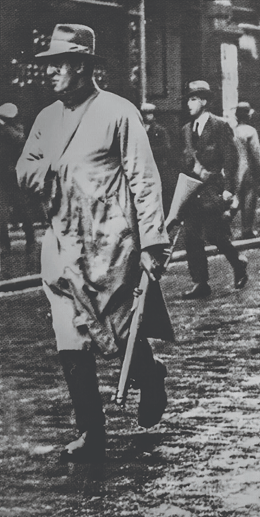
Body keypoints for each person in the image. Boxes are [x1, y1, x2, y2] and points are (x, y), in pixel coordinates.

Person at [16, 24, 172, 461]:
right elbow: (24, 169)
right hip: (63, 243)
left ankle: (150, 374)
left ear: (82, 66)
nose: (49, 73)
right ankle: (91, 430)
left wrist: (151, 242)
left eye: (58, 65)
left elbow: (143, 179)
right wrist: (47, 167)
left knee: (121, 329)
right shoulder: (47, 118)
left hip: (111, 243)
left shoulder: (118, 112)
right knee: (68, 335)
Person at [179, 80, 248, 299]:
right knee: (191, 237)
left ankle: (238, 264)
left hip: (214, 190)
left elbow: (231, 159)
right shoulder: (187, 130)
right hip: (193, 191)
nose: (189, 104)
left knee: (215, 234)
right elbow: (184, 162)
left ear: (205, 101)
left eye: (194, 99)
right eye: (188, 99)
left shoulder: (219, 125)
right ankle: (200, 282)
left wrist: (230, 190)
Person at [0, 102, 36, 257]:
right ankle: (4, 244)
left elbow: (18, 139)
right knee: (2, 211)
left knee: (21, 207)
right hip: (4, 174)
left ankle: (30, 239)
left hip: (12, 175)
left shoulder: (14, 129)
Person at [233, 102, 260, 239]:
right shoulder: (251, 131)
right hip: (248, 169)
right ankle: (247, 230)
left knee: (236, 199)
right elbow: (256, 154)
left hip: (234, 169)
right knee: (249, 199)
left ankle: (230, 228)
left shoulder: (232, 130)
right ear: (248, 116)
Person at [141, 102, 177, 210]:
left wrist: (148, 150)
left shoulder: (160, 130)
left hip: (159, 166)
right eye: (145, 113)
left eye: (150, 113)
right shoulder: (140, 129)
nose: (147, 116)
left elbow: (166, 148)